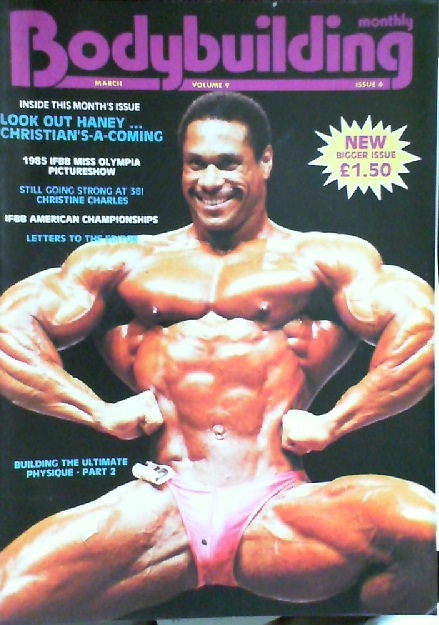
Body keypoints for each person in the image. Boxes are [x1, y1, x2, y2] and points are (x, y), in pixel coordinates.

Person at [0, 92, 435, 623]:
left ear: (265, 162)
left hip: (280, 508)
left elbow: (422, 330)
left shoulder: (322, 261)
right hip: (160, 508)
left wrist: (334, 423)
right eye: (196, 164)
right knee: (7, 597)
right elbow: (9, 330)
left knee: (425, 534)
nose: (209, 181)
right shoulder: (124, 263)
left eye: (228, 163)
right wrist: (98, 413)